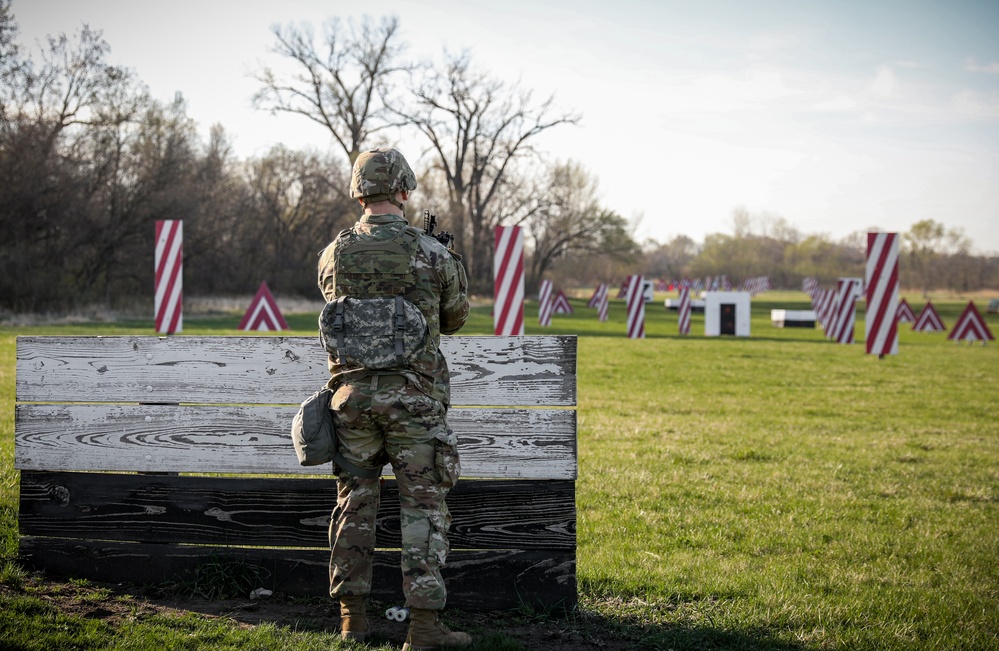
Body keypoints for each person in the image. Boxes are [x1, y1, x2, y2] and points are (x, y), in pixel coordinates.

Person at [317, 147, 471, 649]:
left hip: (352, 402)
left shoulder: (334, 253)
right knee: (422, 510)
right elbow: (454, 318)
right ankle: (424, 630)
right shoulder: (432, 253)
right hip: (414, 404)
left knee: (354, 506)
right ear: (404, 190)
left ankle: (351, 621)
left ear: (359, 191)